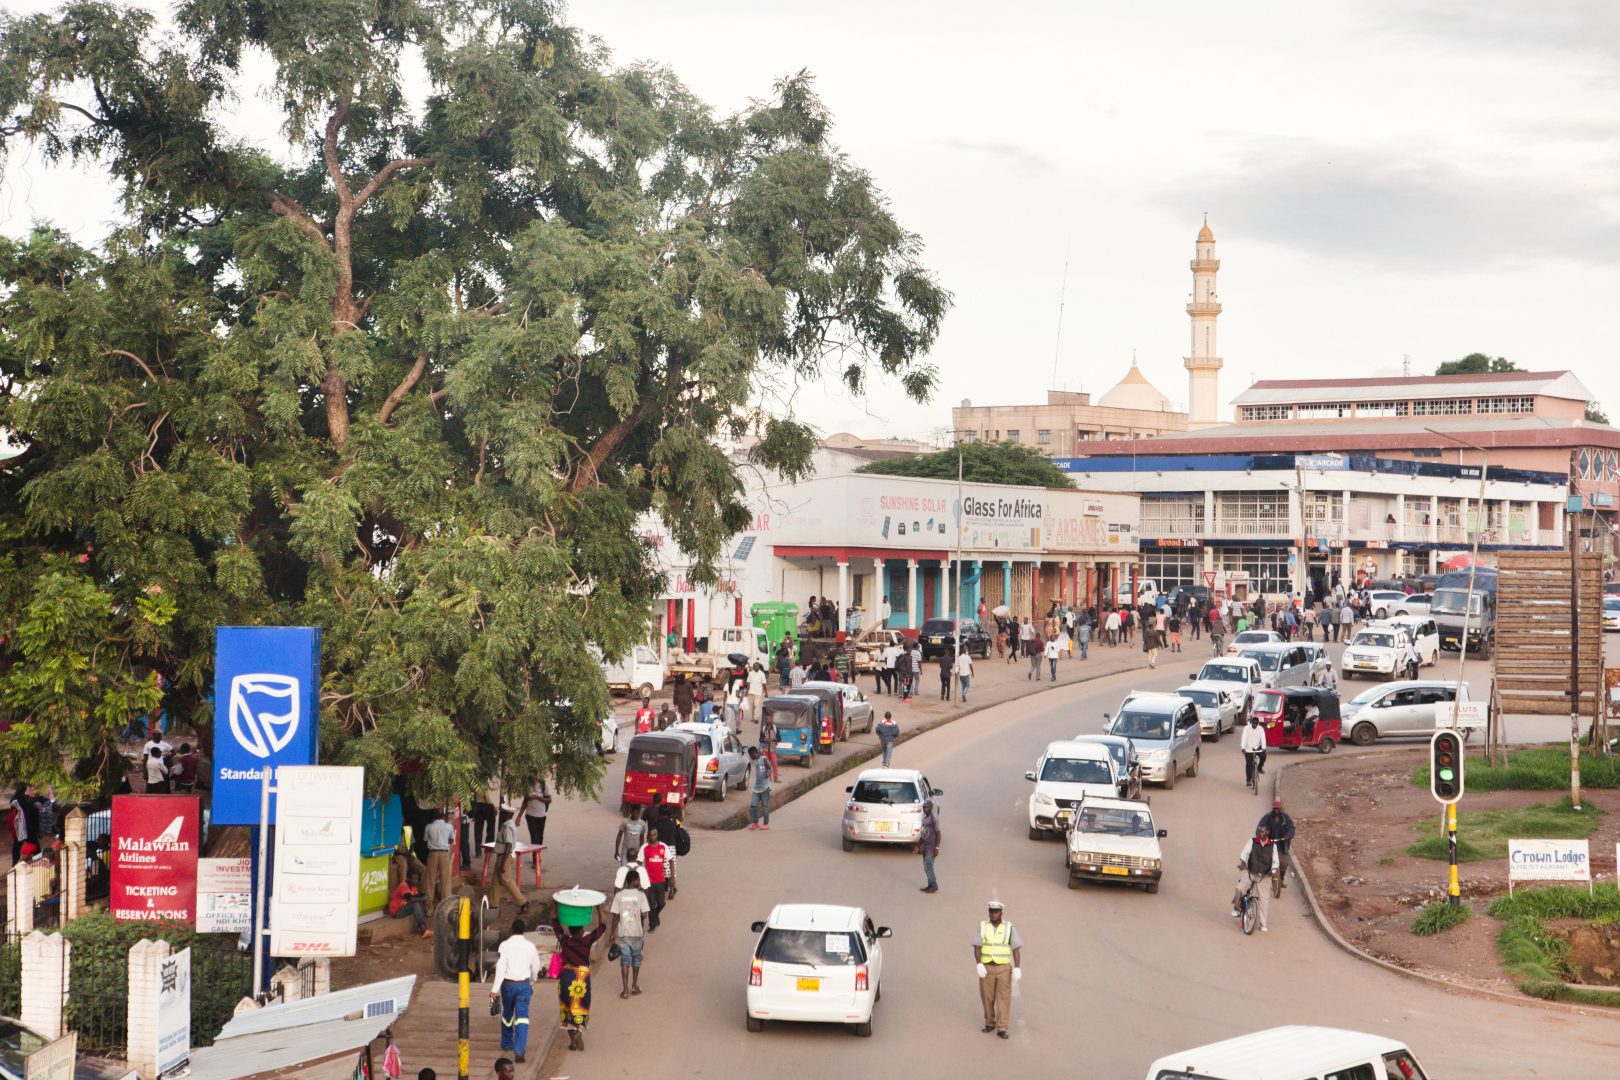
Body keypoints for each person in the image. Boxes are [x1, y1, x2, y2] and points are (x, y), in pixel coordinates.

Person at [489, 918, 544, 1062]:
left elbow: (500, 968)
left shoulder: (504, 945)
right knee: (522, 1018)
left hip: (507, 985)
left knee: (507, 1014)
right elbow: (535, 967)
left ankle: (507, 1043)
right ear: (523, 931)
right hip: (524, 986)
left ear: (512, 930)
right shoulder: (530, 946)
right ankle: (519, 1050)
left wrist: (494, 990)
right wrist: (532, 982)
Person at [555, 903, 607, 1052]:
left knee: (567, 1009)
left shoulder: (564, 940)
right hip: (582, 979)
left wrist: (555, 905)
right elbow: (602, 926)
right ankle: (579, 1032)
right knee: (581, 1007)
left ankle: (572, 1042)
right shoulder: (587, 940)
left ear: (570, 930)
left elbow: (555, 922)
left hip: (566, 976)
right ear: (582, 930)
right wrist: (598, 908)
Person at [971, 900, 1022, 1039]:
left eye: (996, 911)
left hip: (1004, 968)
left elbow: (1016, 948)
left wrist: (1017, 967)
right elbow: (977, 947)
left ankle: (1002, 1027)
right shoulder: (982, 926)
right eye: (991, 911)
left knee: (1003, 998)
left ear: (1001, 913)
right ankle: (989, 1023)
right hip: (987, 968)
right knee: (987, 997)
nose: (993, 914)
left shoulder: (1009, 927)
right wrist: (979, 964)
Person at [609, 865, 651, 997]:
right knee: (636, 960)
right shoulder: (641, 895)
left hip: (623, 934)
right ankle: (634, 986)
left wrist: (612, 932)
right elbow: (645, 915)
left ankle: (625, 991)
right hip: (636, 933)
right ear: (634, 880)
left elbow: (615, 916)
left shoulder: (619, 895)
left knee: (624, 961)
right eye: (638, 880)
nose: (639, 883)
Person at [1233, 824, 1279, 931]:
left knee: (1264, 899)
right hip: (1251, 872)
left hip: (1264, 876)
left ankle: (1263, 924)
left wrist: (1273, 869)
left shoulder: (1273, 846)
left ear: (1267, 833)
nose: (1259, 833)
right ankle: (1236, 908)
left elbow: (1276, 861)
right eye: (1259, 832)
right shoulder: (1252, 842)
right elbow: (1244, 853)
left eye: (1262, 832)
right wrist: (1243, 862)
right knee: (1239, 889)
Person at [490, 810, 528, 914]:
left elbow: (508, 845)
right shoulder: (510, 825)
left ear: (507, 815)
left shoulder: (507, 828)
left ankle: (523, 902)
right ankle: (494, 905)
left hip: (504, 857)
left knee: (506, 880)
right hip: (502, 856)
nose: (500, 814)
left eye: (502, 813)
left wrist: (502, 863)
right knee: (495, 881)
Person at [1259, 798, 1296, 889]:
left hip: (1281, 845)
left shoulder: (1285, 818)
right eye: (1275, 809)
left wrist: (1287, 836)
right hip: (1269, 843)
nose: (1276, 810)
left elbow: (1291, 828)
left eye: (1278, 809)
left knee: (1284, 863)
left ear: (1280, 809)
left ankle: (1281, 879)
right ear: (1273, 809)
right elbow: (1261, 826)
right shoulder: (1267, 817)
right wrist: (1262, 833)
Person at [423, 809, 456, 910]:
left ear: (434, 817)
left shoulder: (429, 826)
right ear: (443, 817)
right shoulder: (449, 826)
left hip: (433, 853)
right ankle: (446, 907)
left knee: (429, 880)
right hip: (444, 854)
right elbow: (451, 839)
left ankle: (429, 907)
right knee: (445, 880)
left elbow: (425, 839)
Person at [638, 831, 670, 932]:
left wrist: (672, 877)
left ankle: (656, 915)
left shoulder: (663, 846)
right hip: (648, 881)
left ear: (657, 835)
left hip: (660, 880)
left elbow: (671, 861)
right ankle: (652, 925)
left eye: (654, 834)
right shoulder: (644, 847)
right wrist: (639, 878)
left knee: (662, 903)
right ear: (648, 836)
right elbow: (639, 862)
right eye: (650, 835)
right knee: (651, 904)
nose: (652, 837)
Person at [388, 871, 431, 936]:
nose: (415, 881)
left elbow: (418, 896)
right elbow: (411, 899)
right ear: (408, 879)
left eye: (416, 879)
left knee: (419, 902)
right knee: (415, 903)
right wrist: (423, 898)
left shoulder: (413, 887)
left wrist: (423, 898)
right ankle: (423, 929)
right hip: (397, 912)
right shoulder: (403, 885)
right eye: (413, 879)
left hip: (404, 908)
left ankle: (425, 928)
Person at [916, 799, 941, 893]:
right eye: (923, 807)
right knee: (926, 867)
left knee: (928, 866)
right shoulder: (925, 817)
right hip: (925, 846)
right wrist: (918, 846)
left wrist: (937, 848)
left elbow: (938, 833)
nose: (924, 809)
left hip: (931, 847)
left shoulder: (933, 819)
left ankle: (934, 885)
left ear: (930, 808)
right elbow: (923, 833)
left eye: (926, 807)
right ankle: (930, 884)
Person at [1240, 714, 1266, 790]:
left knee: (1264, 756)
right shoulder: (1246, 728)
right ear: (1251, 722)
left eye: (1256, 724)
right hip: (1248, 748)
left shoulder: (1260, 729)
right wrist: (1243, 747)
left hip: (1257, 747)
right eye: (1253, 723)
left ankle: (1259, 768)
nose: (1255, 725)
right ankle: (1248, 780)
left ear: (1258, 723)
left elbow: (1263, 738)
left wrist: (1264, 747)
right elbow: (1244, 738)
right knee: (1249, 764)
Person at [748, 747, 772, 830]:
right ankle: (755, 823)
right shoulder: (755, 761)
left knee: (765, 806)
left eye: (750, 755)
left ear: (754, 753)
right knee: (753, 805)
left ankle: (766, 824)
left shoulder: (763, 759)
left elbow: (769, 768)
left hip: (765, 787)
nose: (750, 756)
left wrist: (768, 774)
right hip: (757, 787)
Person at [521, 780, 551, 846]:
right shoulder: (527, 784)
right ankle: (535, 855)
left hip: (541, 816)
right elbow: (525, 801)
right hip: (530, 816)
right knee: (534, 838)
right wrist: (519, 816)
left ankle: (537, 854)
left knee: (540, 837)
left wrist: (537, 797)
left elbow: (549, 800)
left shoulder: (544, 785)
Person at [757, 710, 779, 782]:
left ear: (771, 720)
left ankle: (776, 778)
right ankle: (768, 779)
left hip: (773, 749)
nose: (767, 720)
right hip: (765, 749)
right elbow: (760, 739)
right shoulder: (763, 728)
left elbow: (779, 739)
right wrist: (765, 740)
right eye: (766, 719)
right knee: (766, 765)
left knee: (774, 764)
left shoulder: (775, 728)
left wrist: (772, 739)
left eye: (769, 719)